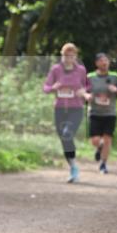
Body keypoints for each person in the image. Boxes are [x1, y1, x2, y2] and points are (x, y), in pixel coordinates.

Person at [42, 42, 88, 183]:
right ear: (62, 55)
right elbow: (46, 87)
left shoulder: (81, 70)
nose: (69, 59)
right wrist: (53, 87)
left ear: (75, 57)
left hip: (76, 108)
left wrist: (83, 91)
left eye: (72, 56)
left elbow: (88, 85)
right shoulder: (56, 69)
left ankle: (73, 168)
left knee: (67, 133)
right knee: (64, 138)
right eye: (66, 56)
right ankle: (73, 166)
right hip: (60, 108)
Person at [86, 52, 117, 174]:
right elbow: (83, 90)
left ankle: (103, 164)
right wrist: (87, 95)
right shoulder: (90, 77)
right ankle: (99, 147)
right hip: (94, 112)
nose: (104, 63)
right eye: (102, 60)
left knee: (107, 139)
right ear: (96, 63)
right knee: (95, 140)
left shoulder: (115, 76)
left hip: (110, 113)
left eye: (106, 60)